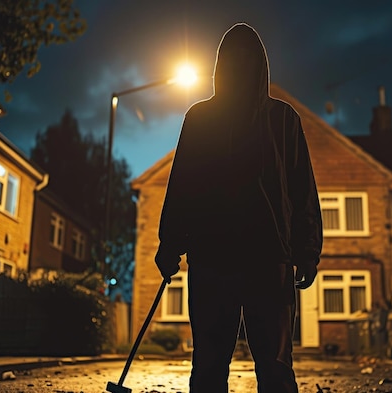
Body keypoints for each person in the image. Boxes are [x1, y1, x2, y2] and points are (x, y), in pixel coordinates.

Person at [154, 22, 323, 393]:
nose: (243, 65)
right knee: (217, 366)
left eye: (248, 58)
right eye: (237, 58)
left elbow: (300, 189)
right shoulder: (203, 118)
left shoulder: (282, 120)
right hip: (231, 259)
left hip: (250, 259)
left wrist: (308, 250)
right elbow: (183, 184)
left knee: (263, 368)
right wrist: (169, 243)